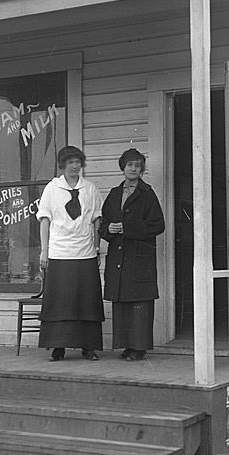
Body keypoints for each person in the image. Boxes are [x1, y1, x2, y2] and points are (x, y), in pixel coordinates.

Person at [36, 146, 104, 361]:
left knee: (87, 301)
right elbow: (45, 220)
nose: (75, 166)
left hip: (84, 253)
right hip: (59, 253)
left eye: (78, 162)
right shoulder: (52, 188)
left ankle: (88, 347)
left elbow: (96, 220)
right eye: (70, 162)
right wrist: (44, 251)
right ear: (63, 165)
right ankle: (58, 347)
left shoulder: (90, 189)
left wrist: (97, 247)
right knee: (61, 301)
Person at [100, 148, 165, 361]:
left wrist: (128, 228)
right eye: (130, 165)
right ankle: (126, 345)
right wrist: (109, 230)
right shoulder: (113, 194)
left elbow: (158, 225)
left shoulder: (147, 194)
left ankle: (140, 347)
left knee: (140, 302)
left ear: (142, 169)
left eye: (137, 165)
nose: (133, 169)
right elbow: (103, 226)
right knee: (122, 302)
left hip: (139, 256)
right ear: (123, 167)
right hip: (118, 256)